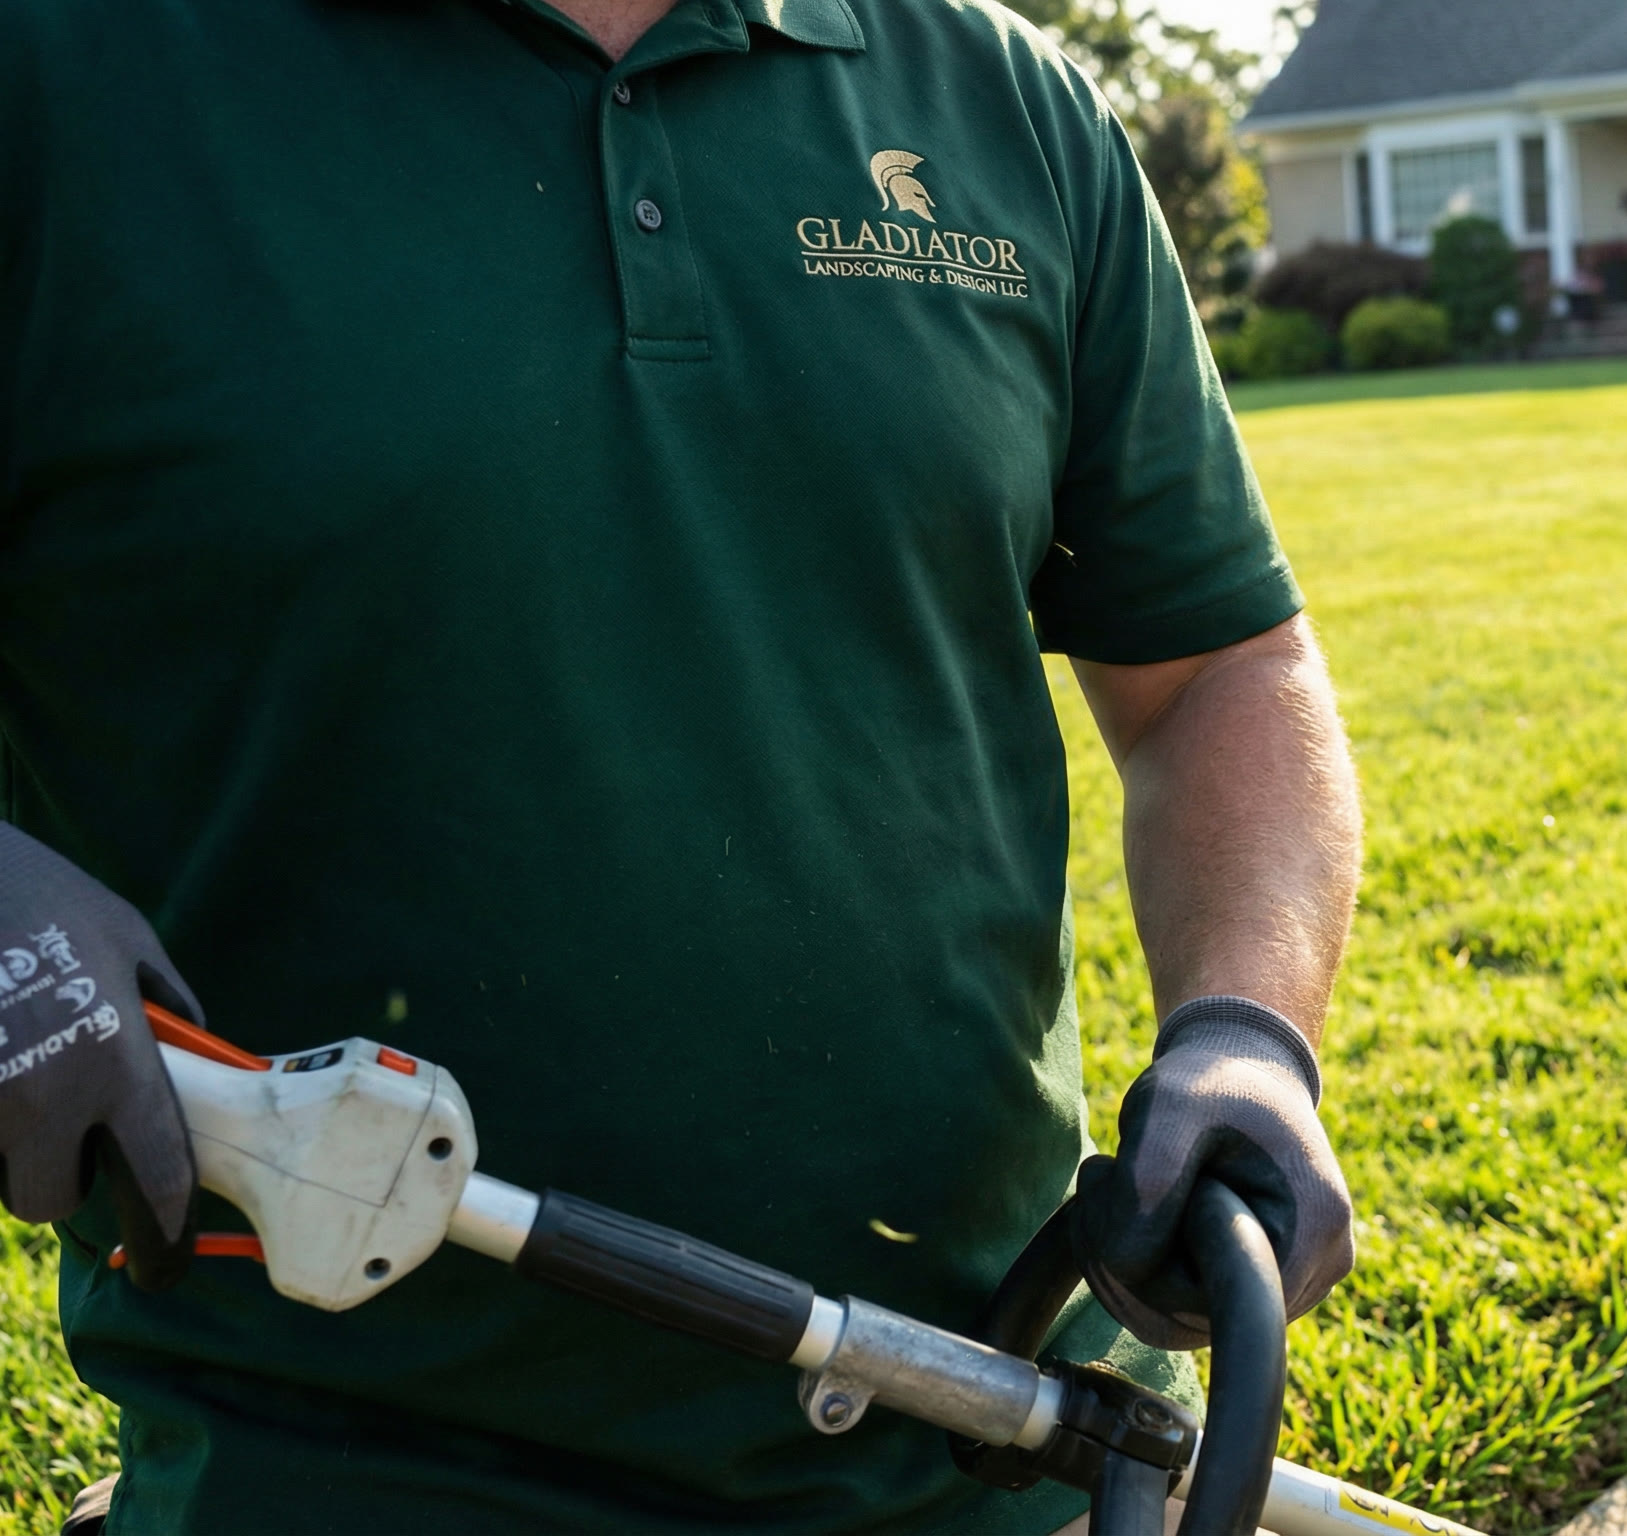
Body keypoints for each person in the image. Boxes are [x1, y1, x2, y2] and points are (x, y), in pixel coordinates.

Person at [0, 0, 1363, 1528]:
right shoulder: (64, 73)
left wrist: (1246, 1031)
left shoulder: (1003, 104)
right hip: (337, 1468)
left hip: (1002, 1431)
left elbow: (1213, 671)